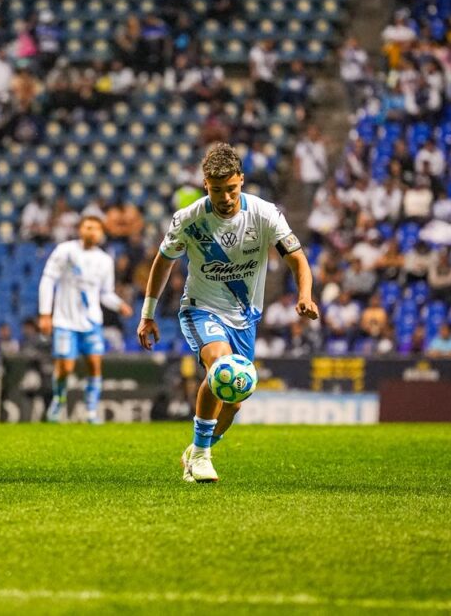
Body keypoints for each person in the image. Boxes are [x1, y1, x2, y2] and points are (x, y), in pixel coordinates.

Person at [137, 142, 319, 483]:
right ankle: (202, 457)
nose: (225, 197)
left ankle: (197, 449)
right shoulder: (189, 220)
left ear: (242, 180)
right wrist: (148, 314)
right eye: (217, 190)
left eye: (232, 188)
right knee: (221, 367)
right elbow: (163, 263)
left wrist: (305, 295)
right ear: (206, 184)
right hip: (201, 309)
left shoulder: (265, 214)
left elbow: (297, 259)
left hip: (245, 317)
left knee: (233, 400)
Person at [38, 216, 132, 424]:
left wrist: (119, 305)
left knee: (94, 365)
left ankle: (91, 411)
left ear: (101, 233)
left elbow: (105, 293)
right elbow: (48, 279)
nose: (92, 232)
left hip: (91, 322)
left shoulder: (105, 261)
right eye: (88, 227)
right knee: (65, 367)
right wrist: (45, 313)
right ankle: (59, 399)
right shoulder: (65, 251)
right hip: (65, 321)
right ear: (80, 229)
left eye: (96, 228)